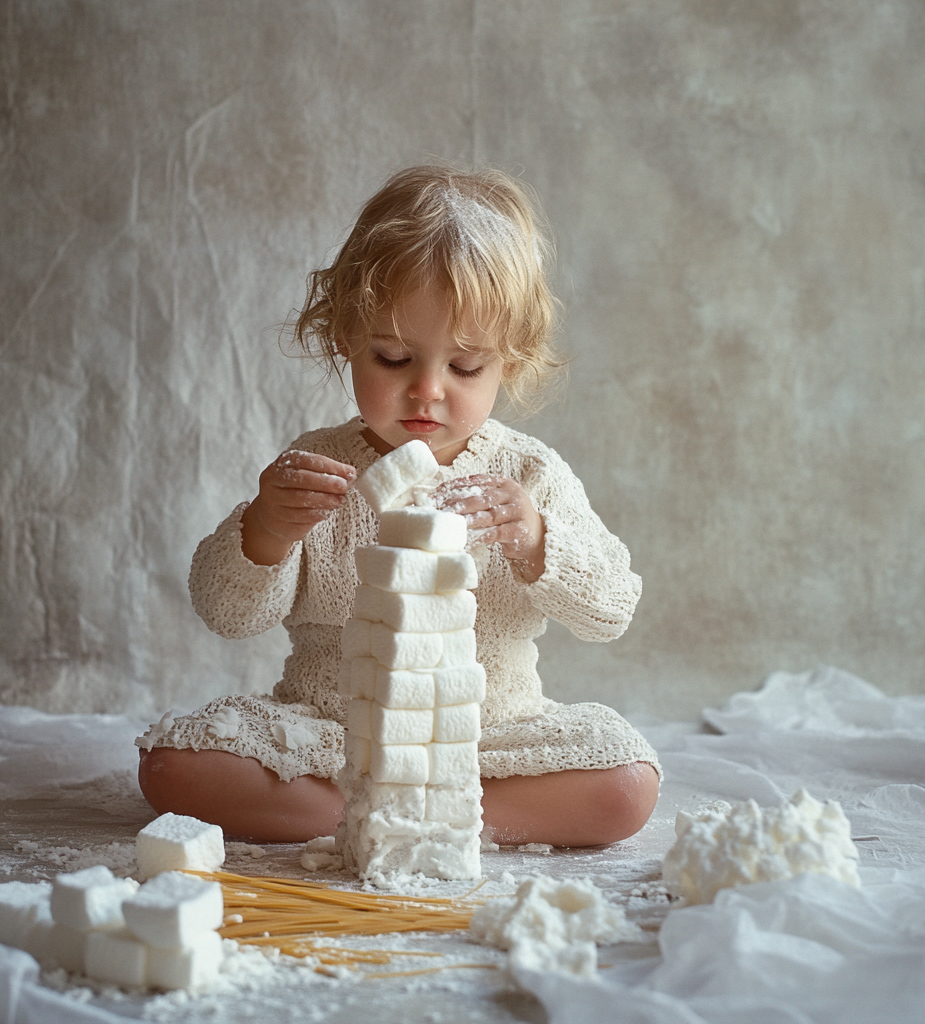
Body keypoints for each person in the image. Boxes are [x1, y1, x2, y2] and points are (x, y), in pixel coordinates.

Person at [137, 165, 660, 847]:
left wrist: (536, 542)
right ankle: (365, 815)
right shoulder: (320, 466)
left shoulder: (529, 475)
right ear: (345, 339)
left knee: (626, 786)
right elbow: (226, 610)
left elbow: (613, 606)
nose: (427, 391)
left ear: (511, 361)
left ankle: (449, 821)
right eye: (391, 357)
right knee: (174, 766)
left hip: (488, 739)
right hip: (334, 736)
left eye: (465, 367)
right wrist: (267, 528)